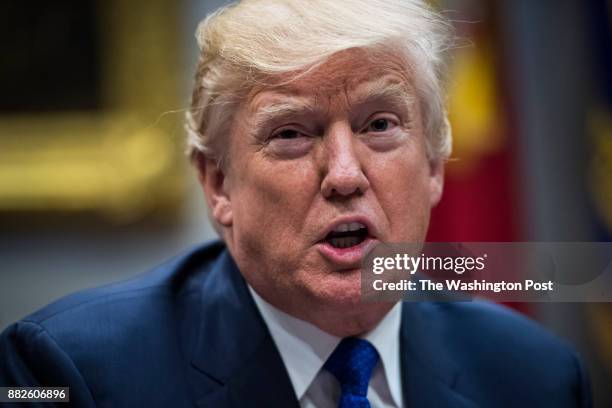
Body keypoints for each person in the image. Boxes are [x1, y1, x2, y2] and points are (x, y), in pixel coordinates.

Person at [0, 1, 592, 407]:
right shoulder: (65, 374)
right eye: (291, 133)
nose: (344, 174)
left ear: (435, 165)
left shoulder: (535, 375)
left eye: (380, 124)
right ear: (218, 184)